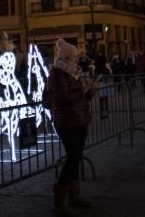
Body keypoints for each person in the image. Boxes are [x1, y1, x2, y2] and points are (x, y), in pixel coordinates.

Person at [45, 38, 99, 215]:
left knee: (76, 156)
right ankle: (59, 199)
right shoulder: (57, 74)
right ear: (66, 57)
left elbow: (79, 98)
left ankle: (75, 195)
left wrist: (90, 90)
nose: (77, 58)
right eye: (74, 56)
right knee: (72, 156)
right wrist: (82, 92)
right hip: (66, 121)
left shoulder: (73, 72)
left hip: (79, 118)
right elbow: (64, 99)